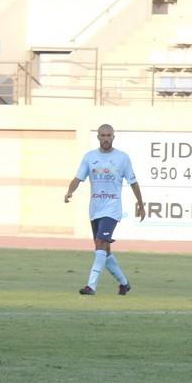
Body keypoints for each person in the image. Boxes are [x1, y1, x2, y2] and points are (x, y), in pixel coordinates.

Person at [64, 124, 144, 295]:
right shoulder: (89, 157)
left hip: (112, 208)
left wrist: (141, 204)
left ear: (113, 137)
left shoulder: (122, 158)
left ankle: (91, 286)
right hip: (95, 208)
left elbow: (133, 182)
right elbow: (78, 178)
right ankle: (124, 283)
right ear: (98, 137)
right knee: (104, 250)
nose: (106, 138)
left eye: (109, 135)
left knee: (100, 243)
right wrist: (70, 191)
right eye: (103, 135)